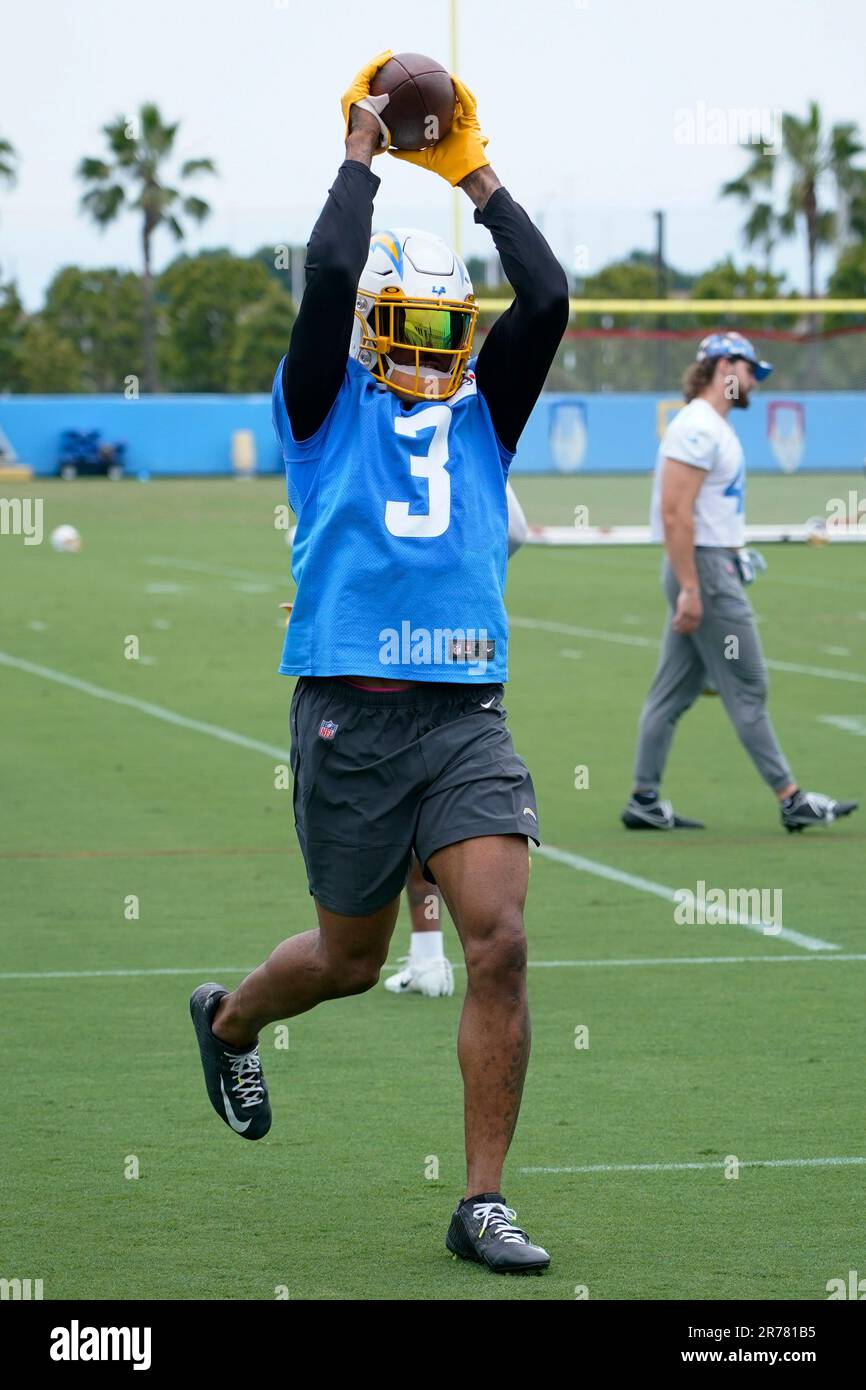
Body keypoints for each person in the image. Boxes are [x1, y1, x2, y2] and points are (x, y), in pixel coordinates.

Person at [191, 52, 568, 1274]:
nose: (425, 345)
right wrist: (358, 159)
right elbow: (330, 271)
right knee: (348, 960)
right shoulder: (320, 404)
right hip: (350, 712)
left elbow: (549, 298)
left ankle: (480, 1202)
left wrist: (473, 175)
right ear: (368, 327)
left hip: (465, 710)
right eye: (402, 321)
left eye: (439, 324)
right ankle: (232, 1016)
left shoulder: (480, 414)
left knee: (497, 937)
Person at [622, 331, 858, 834]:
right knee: (748, 684)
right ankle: (791, 798)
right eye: (751, 371)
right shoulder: (699, 427)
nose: (754, 382)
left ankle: (644, 799)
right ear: (726, 365)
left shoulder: (707, 426)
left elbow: (700, 510)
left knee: (672, 691)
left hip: (706, 567)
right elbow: (675, 511)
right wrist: (691, 585)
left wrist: (729, 551)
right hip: (705, 575)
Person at [386, 482, 529, 999]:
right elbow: (515, 530)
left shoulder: (367, 434)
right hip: (466, 647)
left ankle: (429, 953)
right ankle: (439, 954)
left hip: (390, 650)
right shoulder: (466, 431)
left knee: (403, 802)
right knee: (454, 803)